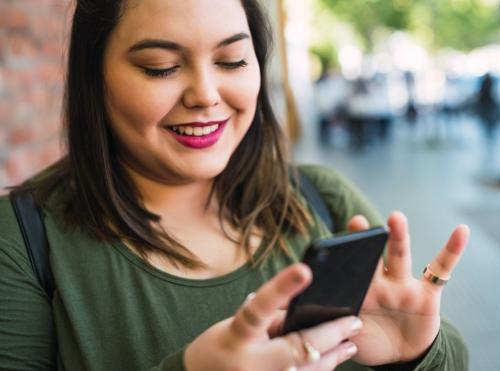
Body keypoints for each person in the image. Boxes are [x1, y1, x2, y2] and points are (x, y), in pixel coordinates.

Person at [0, 1, 471, 370]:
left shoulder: (322, 200)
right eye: (161, 67)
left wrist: (415, 353)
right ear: (94, 75)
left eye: (231, 60)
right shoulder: (24, 238)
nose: (205, 94)